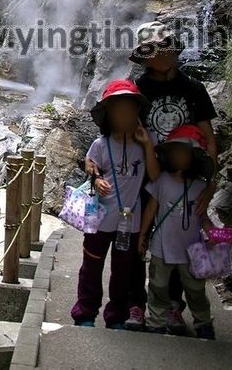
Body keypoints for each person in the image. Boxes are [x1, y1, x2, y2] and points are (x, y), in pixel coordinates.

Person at [130, 20, 218, 333]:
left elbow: (208, 135)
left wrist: (211, 180)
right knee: (137, 239)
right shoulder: (138, 88)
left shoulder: (193, 88)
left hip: (186, 177)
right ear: (144, 56)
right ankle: (138, 304)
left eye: (165, 45)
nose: (162, 52)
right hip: (144, 176)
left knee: (182, 239)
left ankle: (174, 308)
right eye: (153, 48)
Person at [70, 80, 160, 329]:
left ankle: (116, 316)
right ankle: (85, 313)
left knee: (123, 273)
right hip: (100, 219)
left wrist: (147, 145)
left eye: (130, 109)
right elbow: (90, 163)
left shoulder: (144, 144)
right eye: (118, 110)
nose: (124, 115)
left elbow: (154, 176)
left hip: (129, 224)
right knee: (91, 267)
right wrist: (97, 178)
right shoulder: (101, 144)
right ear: (108, 114)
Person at [138, 124, 215, 339]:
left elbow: (204, 217)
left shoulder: (200, 187)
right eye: (177, 152)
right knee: (158, 286)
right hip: (162, 246)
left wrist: (214, 235)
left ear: (194, 158)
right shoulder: (161, 180)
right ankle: (156, 321)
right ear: (169, 155)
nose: (180, 157)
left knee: (196, 290)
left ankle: (203, 323)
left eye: (185, 153)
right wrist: (142, 235)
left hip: (191, 250)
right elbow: (151, 209)